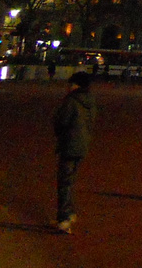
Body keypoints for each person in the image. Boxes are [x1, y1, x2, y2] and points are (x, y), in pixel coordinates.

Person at [52, 72, 97, 233]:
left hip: (69, 144)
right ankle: (69, 212)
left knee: (64, 182)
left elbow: (61, 122)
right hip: (82, 146)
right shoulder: (91, 102)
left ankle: (64, 218)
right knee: (70, 181)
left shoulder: (71, 101)